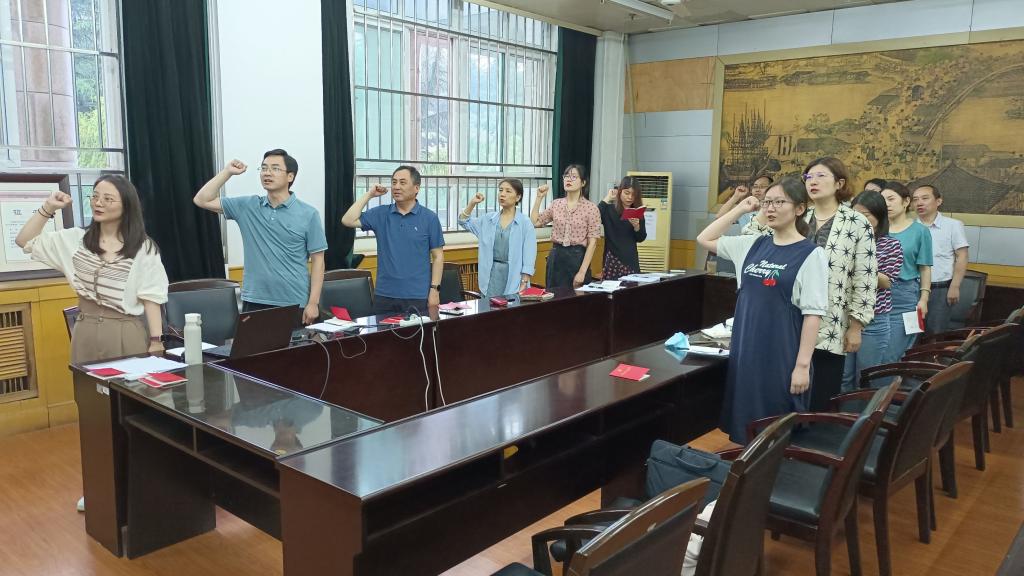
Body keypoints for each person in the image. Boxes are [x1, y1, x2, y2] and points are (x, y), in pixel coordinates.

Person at [16, 175, 169, 513]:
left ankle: (135, 488)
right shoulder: (75, 240)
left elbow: (152, 298)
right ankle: (99, 489)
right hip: (85, 331)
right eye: (95, 196)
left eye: (108, 198)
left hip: (126, 331)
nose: (99, 203)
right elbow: (24, 240)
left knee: (129, 412)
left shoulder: (143, 247)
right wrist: (47, 208)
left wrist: (156, 341)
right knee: (92, 415)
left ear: (126, 206)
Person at [698, 177, 828, 443]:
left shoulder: (811, 254)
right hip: (747, 349)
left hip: (781, 353)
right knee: (745, 422)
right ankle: (746, 468)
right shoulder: (752, 244)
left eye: (779, 202)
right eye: (767, 202)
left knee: (775, 425)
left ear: (799, 209)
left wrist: (802, 366)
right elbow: (704, 238)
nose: (770, 208)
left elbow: (813, 315)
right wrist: (741, 207)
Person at [744, 157, 876, 411]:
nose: (812, 181)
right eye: (808, 177)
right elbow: (751, 238)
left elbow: (865, 276)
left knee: (820, 395)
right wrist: (768, 203)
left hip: (830, 322)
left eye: (820, 176)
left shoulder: (856, 222)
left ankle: (814, 434)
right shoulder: (797, 214)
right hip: (787, 320)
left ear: (839, 183)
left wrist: (856, 325)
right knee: (784, 393)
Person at [194, 149, 327, 325]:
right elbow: (201, 200)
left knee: (293, 344)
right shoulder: (247, 206)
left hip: (293, 300)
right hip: (254, 299)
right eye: (264, 168)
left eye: (275, 168)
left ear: (290, 176)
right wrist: (227, 172)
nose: (267, 173)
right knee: (253, 344)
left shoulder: (308, 214)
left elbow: (318, 260)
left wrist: (313, 303)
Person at [341, 165, 444, 315]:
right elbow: (347, 220)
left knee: (419, 331)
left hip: (417, 295)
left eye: (402, 182)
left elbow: (438, 256)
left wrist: (435, 290)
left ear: (416, 188)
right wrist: (369, 194)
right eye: (394, 182)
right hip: (385, 295)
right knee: (381, 331)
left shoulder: (430, 218)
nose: (396, 187)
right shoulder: (381, 214)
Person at [841, 190, 903, 392]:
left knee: (865, 379)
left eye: (865, 215)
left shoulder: (891, 244)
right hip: (844, 316)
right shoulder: (843, 242)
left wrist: (858, 263)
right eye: (854, 214)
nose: (859, 219)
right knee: (843, 378)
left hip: (874, 320)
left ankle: (867, 414)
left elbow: (886, 282)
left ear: (879, 216)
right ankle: (842, 413)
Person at [458, 179, 537, 297]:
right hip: (491, 274)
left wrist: (524, 281)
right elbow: (463, 221)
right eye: (500, 190)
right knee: (490, 306)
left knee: (512, 306)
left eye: (508, 191)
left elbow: (529, 255)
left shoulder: (525, 223)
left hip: (514, 275)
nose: (502, 194)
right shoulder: (488, 219)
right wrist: (472, 203)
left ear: (518, 197)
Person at [881, 181, 932, 361]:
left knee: (895, 353)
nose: (886, 204)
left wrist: (924, 299)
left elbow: (925, 268)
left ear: (906, 202)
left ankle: (890, 380)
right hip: (877, 294)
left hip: (906, 296)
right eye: (882, 200)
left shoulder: (920, 231)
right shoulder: (877, 229)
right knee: (874, 351)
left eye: (891, 199)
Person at [530, 164, 602, 289]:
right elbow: (535, 222)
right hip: (556, 256)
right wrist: (539, 198)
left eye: (574, 177)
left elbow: (592, 243)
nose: (569, 179)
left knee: (576, 298)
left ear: (583, 182)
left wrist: (582, 272)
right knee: (553, 296)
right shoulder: (556, 204)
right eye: (566, 176)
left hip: (578, 258)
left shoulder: (591, 208)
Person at [913, 184, 969, 335]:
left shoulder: (953, 225)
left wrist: (955, 286)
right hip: (913, 289)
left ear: (938, 201)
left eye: (925, 198)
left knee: (935, 333)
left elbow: (962, 256)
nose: (919, 203)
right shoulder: (910, 227)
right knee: (912, 332)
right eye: (915, 200)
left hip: (940, 289)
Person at [598, 176, 647, 280]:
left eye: (633, 194)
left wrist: (637, 227)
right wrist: (607, 198)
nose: (630, 197)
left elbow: (641, 238)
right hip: (612, 260)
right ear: (620, 191)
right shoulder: (609, 209)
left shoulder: (637, 212)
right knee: (611, 289)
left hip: (630, 260)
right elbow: (594, 217)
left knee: (632, 289)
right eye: (626, 193)